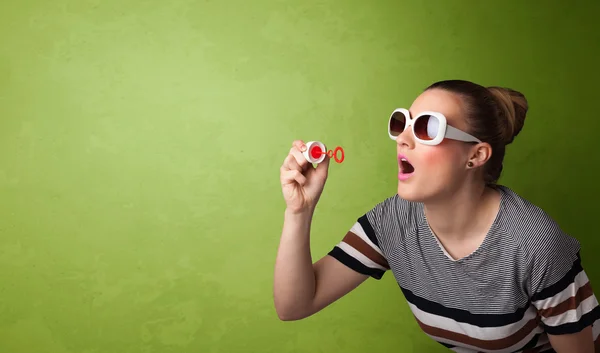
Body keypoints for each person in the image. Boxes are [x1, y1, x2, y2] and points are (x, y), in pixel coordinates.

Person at [274, 79, 600, 353]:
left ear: (475, 155)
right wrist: (299, 210)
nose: (403, 139)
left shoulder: (533, 243)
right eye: (402, 122)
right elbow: (295, 306)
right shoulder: (393, 222)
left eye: (427, 127)